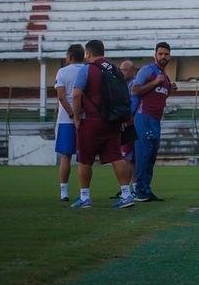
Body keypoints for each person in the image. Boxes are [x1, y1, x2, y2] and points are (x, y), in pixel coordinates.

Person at [70, 40, 135, 209]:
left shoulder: (87, 69)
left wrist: (77, 118)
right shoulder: (115, 69)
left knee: (84, 159)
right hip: (113, 120)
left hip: (91, 120)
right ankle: (126, 194)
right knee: (116, 157)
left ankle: (85, 197)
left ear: (88, 53)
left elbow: (76, 95)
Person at [130, 42, 175, 202]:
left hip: (155, 119)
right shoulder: (147, 70)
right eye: (160, 54)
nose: (163, 56)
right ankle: (139, 190)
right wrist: (155, 82)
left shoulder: (166, 77)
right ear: (155, 55)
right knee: (144, 153)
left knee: (151, 155)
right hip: (143, 116)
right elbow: (135, 90)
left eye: (166, 54)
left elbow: (161, 95)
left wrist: (169, 88)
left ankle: (146, 189)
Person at [53, 43, 85, 201]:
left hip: (66, 119)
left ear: (71, 57)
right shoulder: (87, 70)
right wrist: (80, 114)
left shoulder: (62, 72)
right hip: (85, 119)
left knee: (65, 156)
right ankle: (84, 193)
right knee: (83, 157)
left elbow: (61, 96)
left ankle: (64, 193)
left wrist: (72, 114)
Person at [118, 59, 138, 188]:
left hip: (130, 124)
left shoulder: (133, 84)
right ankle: (132, 187)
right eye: (121, 70)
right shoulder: (122, 84)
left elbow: (133, 103)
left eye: (125, 70)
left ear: (133, 71)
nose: (122, 72)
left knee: (128, 158)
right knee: (129, 158)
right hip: (127, 123)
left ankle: (128, 187)